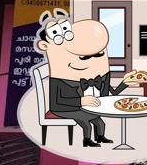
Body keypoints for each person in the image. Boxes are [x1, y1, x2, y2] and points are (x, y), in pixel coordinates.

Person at [35, 10, 135, 148]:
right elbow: (57, 101)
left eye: (99, 54)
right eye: (84, 57)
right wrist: (81, 101)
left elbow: (113, 93)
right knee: (85, 121)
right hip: (64, 108)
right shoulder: (60, 80)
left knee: (100, 121)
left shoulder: (99, 77)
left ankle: (100, 137)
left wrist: (126, 82)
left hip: (87, 106)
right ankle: (87, 140)